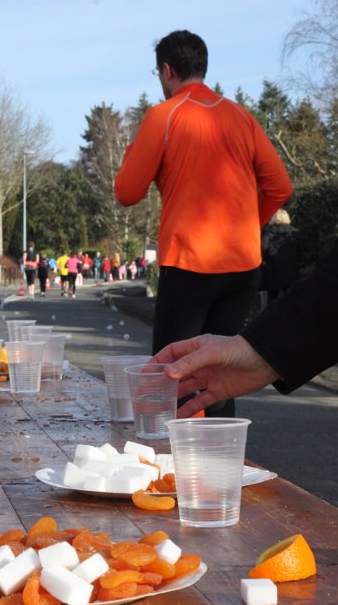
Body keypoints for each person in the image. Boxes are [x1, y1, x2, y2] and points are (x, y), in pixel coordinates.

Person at [114, 29, 293, 417]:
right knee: (220, 375)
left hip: (190, 262)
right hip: (242, 266)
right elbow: (280, 186)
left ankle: (175, 453)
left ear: (166, 70)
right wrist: (248, 227)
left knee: (174, 373)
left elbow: (127, 192)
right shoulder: (242, 116)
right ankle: (220, 451)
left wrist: (134, 148)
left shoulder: (164, 115)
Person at [151, 240, 338, 417]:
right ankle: (218, 437)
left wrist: (263, 348)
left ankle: (175, 437)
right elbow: (268, 212)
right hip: (243, 257)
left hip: (188, 253)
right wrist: (262, 351)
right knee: (220, 375)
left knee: (177, 372)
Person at [260, 208, 300, 304]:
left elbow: (263, 249)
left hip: (273, 269)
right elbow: (298, 251)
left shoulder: (268, 233)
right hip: (290, 269)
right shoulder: (294, 234)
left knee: (272, 296)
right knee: (291, 297)